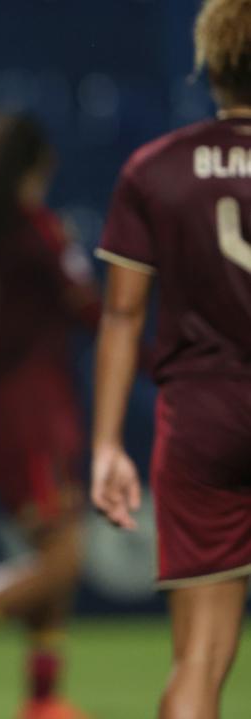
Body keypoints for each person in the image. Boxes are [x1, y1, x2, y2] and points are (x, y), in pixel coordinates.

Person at [91, 1, 251, 716]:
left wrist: (104, 445)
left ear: (212, 62)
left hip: (202, 420)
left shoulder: (155, 169)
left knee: (199, 660)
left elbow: (122, 314)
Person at [0, 111, 100, 719]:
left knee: (57, 548)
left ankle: (43, 699)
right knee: (63, 560)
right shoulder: (39, 233)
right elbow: (94, 311)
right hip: (30, 413)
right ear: (37, 168)